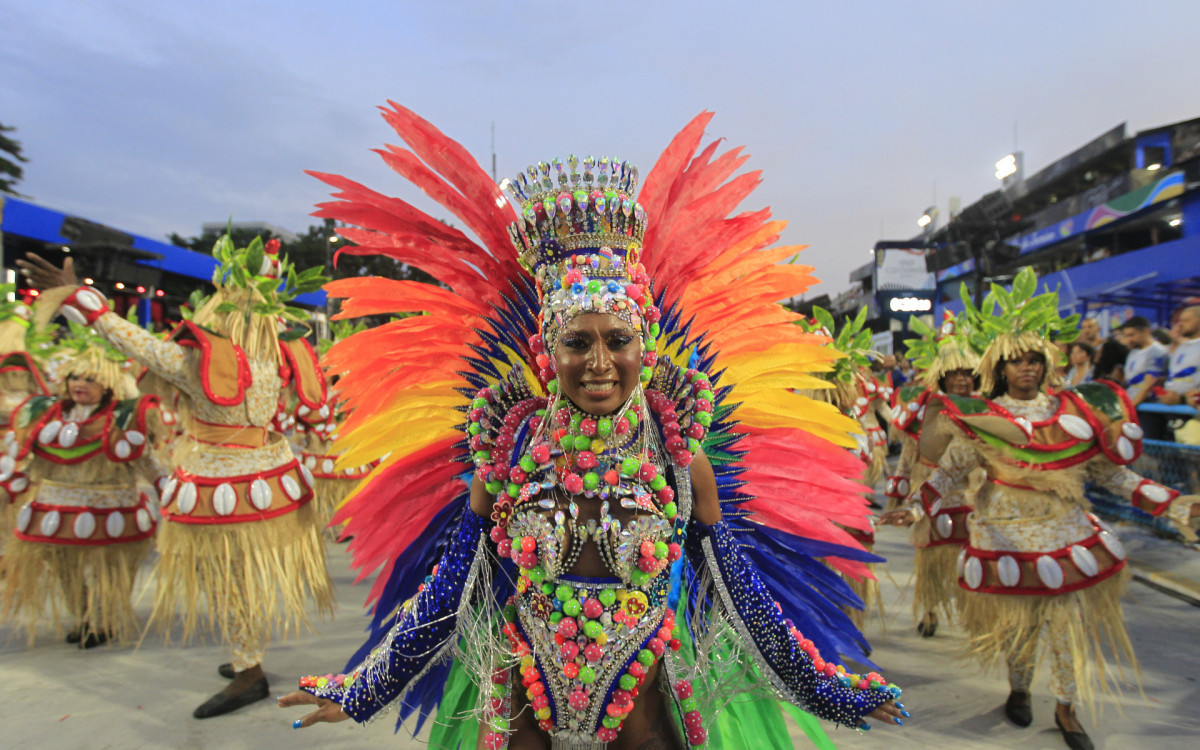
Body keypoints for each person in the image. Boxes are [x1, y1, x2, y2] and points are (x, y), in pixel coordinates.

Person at [278, 106, 905, 747]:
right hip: (526, 709)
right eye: (578, 342)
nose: (599, 363)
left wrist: (828, 690)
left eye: (618, 340)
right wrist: (363, 689)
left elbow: (739, 595)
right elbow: (451, 588)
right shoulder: (509, 447)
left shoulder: (677, 454)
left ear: (644, 346)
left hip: (643, 712)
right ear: (548, 350)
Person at [18, 235, 333, 718]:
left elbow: (135, 342)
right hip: (267, 479)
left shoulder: (202, 361)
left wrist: (80, 298)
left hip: (220, 489)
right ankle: (246, 654)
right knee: (240, 578)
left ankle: (249, 669)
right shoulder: (280, 356)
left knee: (228, 580)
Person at [907, 269, 1199, 750]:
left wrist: (1175, 505)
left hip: (1065, 533)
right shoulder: (983, 417)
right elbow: (948, 473)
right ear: (1000, 369)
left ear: (1045, 365)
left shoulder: (1078, 412)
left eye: (1034, 360)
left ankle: (1066, 707)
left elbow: (1113, 476)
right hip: (1005, 535)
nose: (1027, 368)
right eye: (1016, 361)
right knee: (1019, 626)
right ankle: (1020, 689)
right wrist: (914, 509)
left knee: (1066, 627)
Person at [0, 333, 170, 648]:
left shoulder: (125, 417)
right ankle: (82, 616)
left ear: (108, 385)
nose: (80, 384)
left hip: (111, 509)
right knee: (65, 567)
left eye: (90, 379)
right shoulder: (42, 414)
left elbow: (147, 462)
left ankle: (104, 621)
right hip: (56, 510)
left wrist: (168, 491)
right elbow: (23, 462)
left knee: (108, 569)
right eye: (75, 377)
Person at [880, 312, 980, 639]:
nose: (962, 379)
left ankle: (971, 611)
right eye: (955, 373)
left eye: (968, 373)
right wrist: (900, 486)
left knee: (971, 551)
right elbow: (909, 451)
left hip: (971, 490)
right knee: (931, 553)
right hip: (929, 483)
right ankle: (930, 609)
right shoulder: (922, 407)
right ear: (942, 377)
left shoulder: (985, 410)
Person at [1118, 316, 1169, 439]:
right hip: (1132, 406)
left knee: (1146, 445)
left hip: (1148, 409)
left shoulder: (1156, 351)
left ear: (1145, 331)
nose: (1129, 339)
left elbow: (1148, 387)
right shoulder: (1133, 352)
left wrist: (1128, 408)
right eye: (1126, 336)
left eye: (1132, 335)